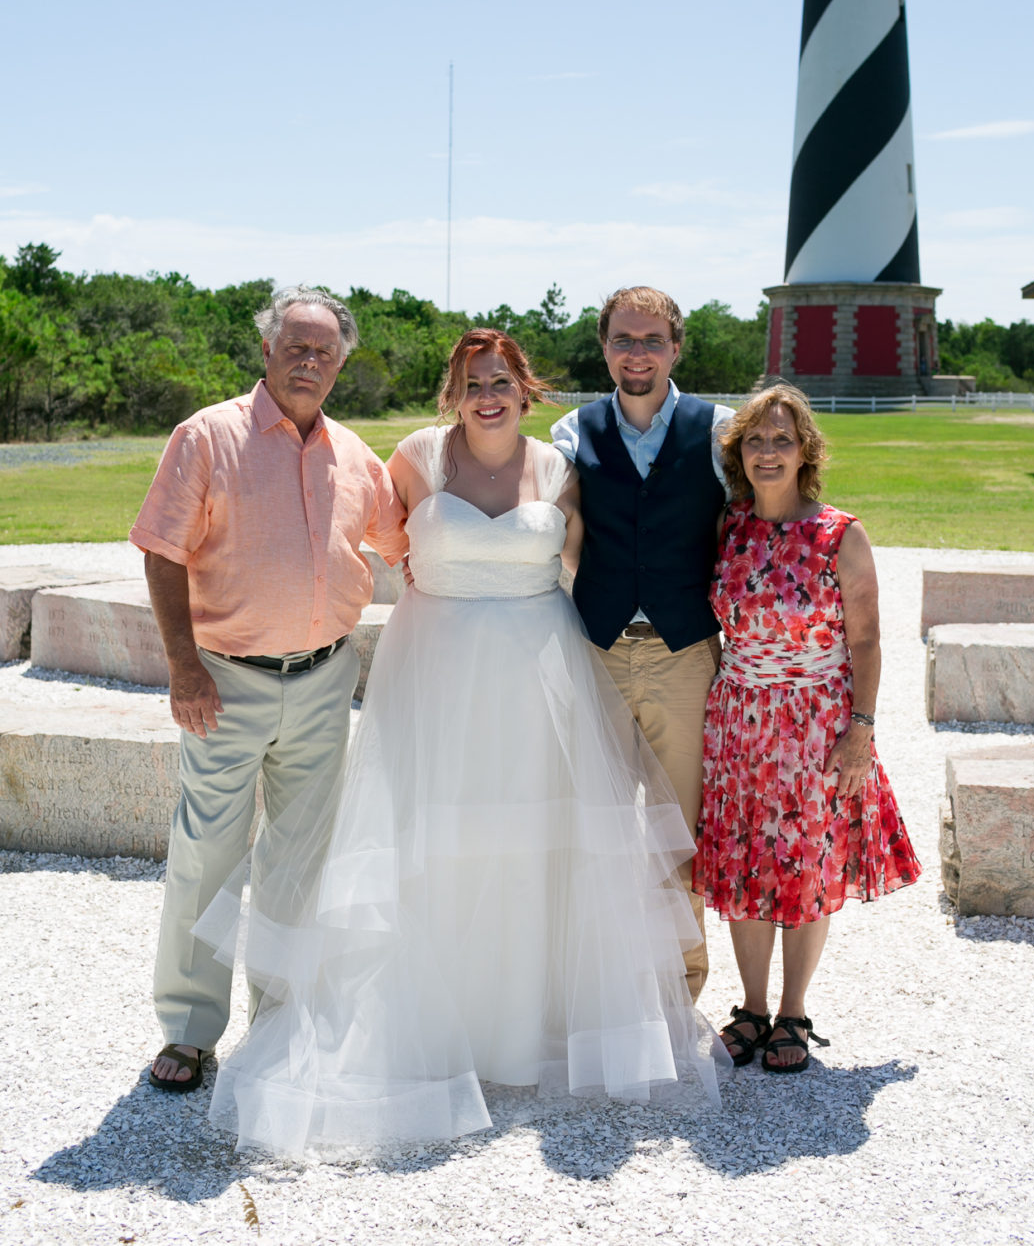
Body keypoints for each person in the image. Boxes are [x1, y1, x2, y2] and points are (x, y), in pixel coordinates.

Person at [196, 328, 722, 1158]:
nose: (488, 393)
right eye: (473, 380)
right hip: (434, 670)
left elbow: (592, 561)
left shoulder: (559, 469)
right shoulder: (413, 458)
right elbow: (355, 530)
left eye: (502, 380)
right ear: (454, 389)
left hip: (536, 672)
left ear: (525, 388)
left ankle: (523, 1029)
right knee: (432, 841)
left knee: (532, 846)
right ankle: (441, 1030)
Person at [132, 286, 407, 1093]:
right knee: (206, 856)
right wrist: (183, 666)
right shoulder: (208, 435)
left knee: (299, 860)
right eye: (295, 345)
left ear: (342, 363)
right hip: (223, 680)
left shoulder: (356, 457)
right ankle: (188, 1030)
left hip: (325, 680)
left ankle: (280, 1023)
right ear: (267, 350)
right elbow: (161, 552)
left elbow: (404, 537)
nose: (309, 360)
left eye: (323, 351)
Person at [693, 383, 921, 1074]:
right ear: (740, 452)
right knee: (741, 861)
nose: (768, 452)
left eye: (782, 439)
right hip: (737, 719)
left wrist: (862, 728)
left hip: (813, 722)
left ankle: (793, 1010)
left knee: (802, 864)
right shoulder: (728, 526)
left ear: (805, 451)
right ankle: (752, 1007)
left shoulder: (838, 533)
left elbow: (869, 640)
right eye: (756, 440)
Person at [551, 286, 733, 1001]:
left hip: (683, 654)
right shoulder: (571, 432)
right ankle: (592, 983)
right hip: (592, 652)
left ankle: (678, 987)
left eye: (652, 339)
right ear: (604, 346)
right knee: (587, 823)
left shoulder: (719, 431)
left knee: (674, 830)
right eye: (623, 339)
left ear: (676, 346)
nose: (637, 353)